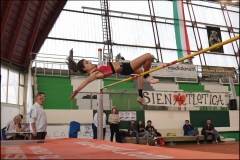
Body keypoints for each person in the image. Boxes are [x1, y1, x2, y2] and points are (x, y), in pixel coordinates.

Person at [66, 53, 159, 105]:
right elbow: (85, 82)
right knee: (148, 56)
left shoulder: (97, 66)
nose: (89, 61)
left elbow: (108, 62)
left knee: (140, 73)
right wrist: (76, 91)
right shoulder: (95, 74)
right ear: (84, 68)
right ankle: (147, 76)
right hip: (125, 68)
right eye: (87, 62)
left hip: (123, 66)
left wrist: (107, 58)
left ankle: (140, 96)